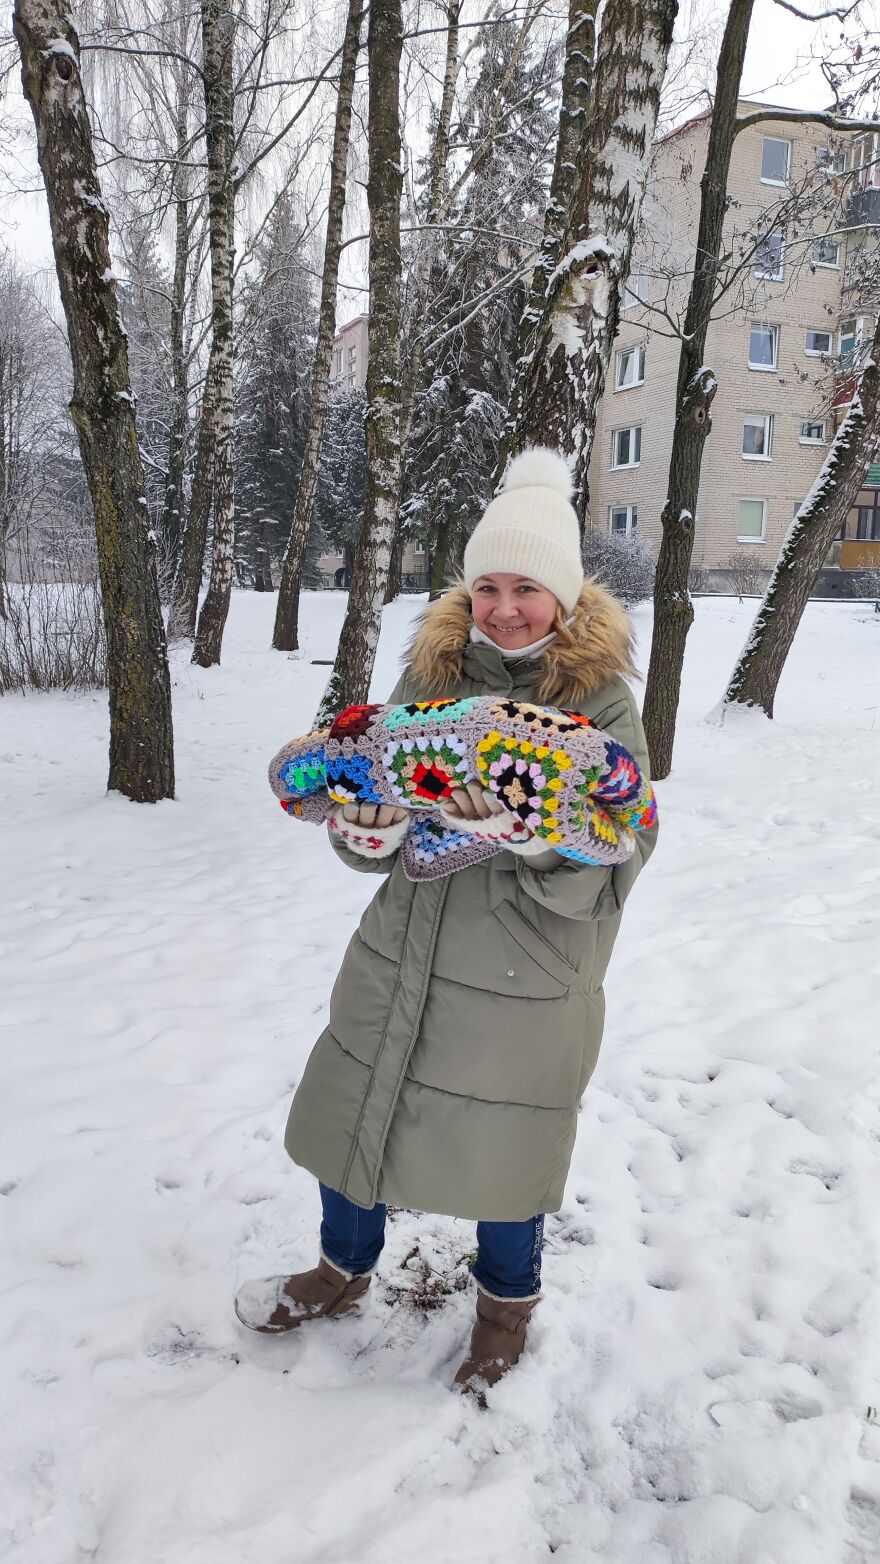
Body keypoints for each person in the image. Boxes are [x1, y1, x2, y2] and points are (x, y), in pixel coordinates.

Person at [236, 447, 658, 1399]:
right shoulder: (427, 683)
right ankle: (341, 1272)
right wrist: (366, 835)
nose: (504, 608)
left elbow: (625, 842)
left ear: (565, 596)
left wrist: (532, 836)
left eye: (527, 588)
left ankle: (505, 1310)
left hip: (524, 974)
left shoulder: (602, 706)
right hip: (401, 952)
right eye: (487, 587)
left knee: (507, 1151)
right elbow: (372, 799)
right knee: (354, 1117)